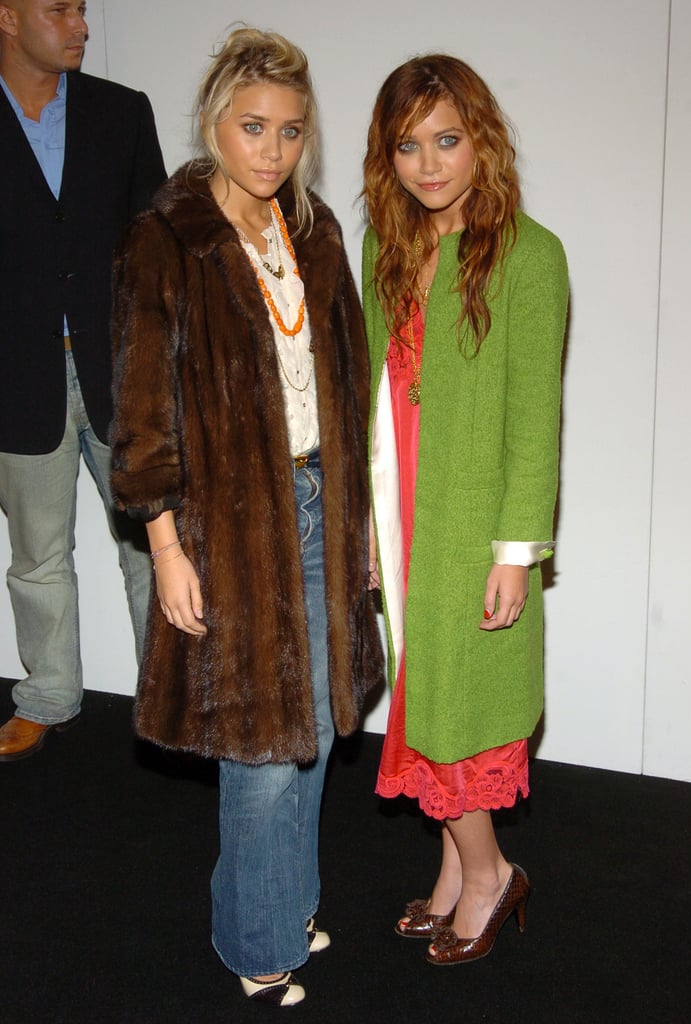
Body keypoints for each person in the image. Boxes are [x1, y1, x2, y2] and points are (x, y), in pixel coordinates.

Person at [110, 27, 383, 1008]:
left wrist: (355, 528)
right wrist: (166, 542)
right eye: (252, 126)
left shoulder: (314, 233)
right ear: (213, 120)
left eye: (290, 132)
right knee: (260, 749)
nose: (271, 149)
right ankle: (255, 942)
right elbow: (140, 415)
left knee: (308, 728)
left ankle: (281, 899)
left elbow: (345, 387)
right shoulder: (166, 239)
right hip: (228, 525)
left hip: (320, 502)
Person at [361, 54, 568, 966]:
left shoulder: (530, 254)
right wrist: (363, 526)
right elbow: (365, 388)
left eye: (447, 140)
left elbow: (535, 420)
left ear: (480, 139)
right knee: (420, 698)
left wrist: (515, 550)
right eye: (408, 145)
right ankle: (453, 872)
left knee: (455, 711)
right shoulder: (385, 246)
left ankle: (490, 875)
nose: (429, 164)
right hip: (398, 509)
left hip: (469, 527)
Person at [0, 0, 165, 761]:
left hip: (122, 374)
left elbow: (156, 245)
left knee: (154, 546)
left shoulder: (122, 113)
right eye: (60, 7)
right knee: (37, 554)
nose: (81, 24)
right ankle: (49, 696)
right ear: (7, 15)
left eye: (82, 8)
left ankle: (168, 703)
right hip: (17, 378)